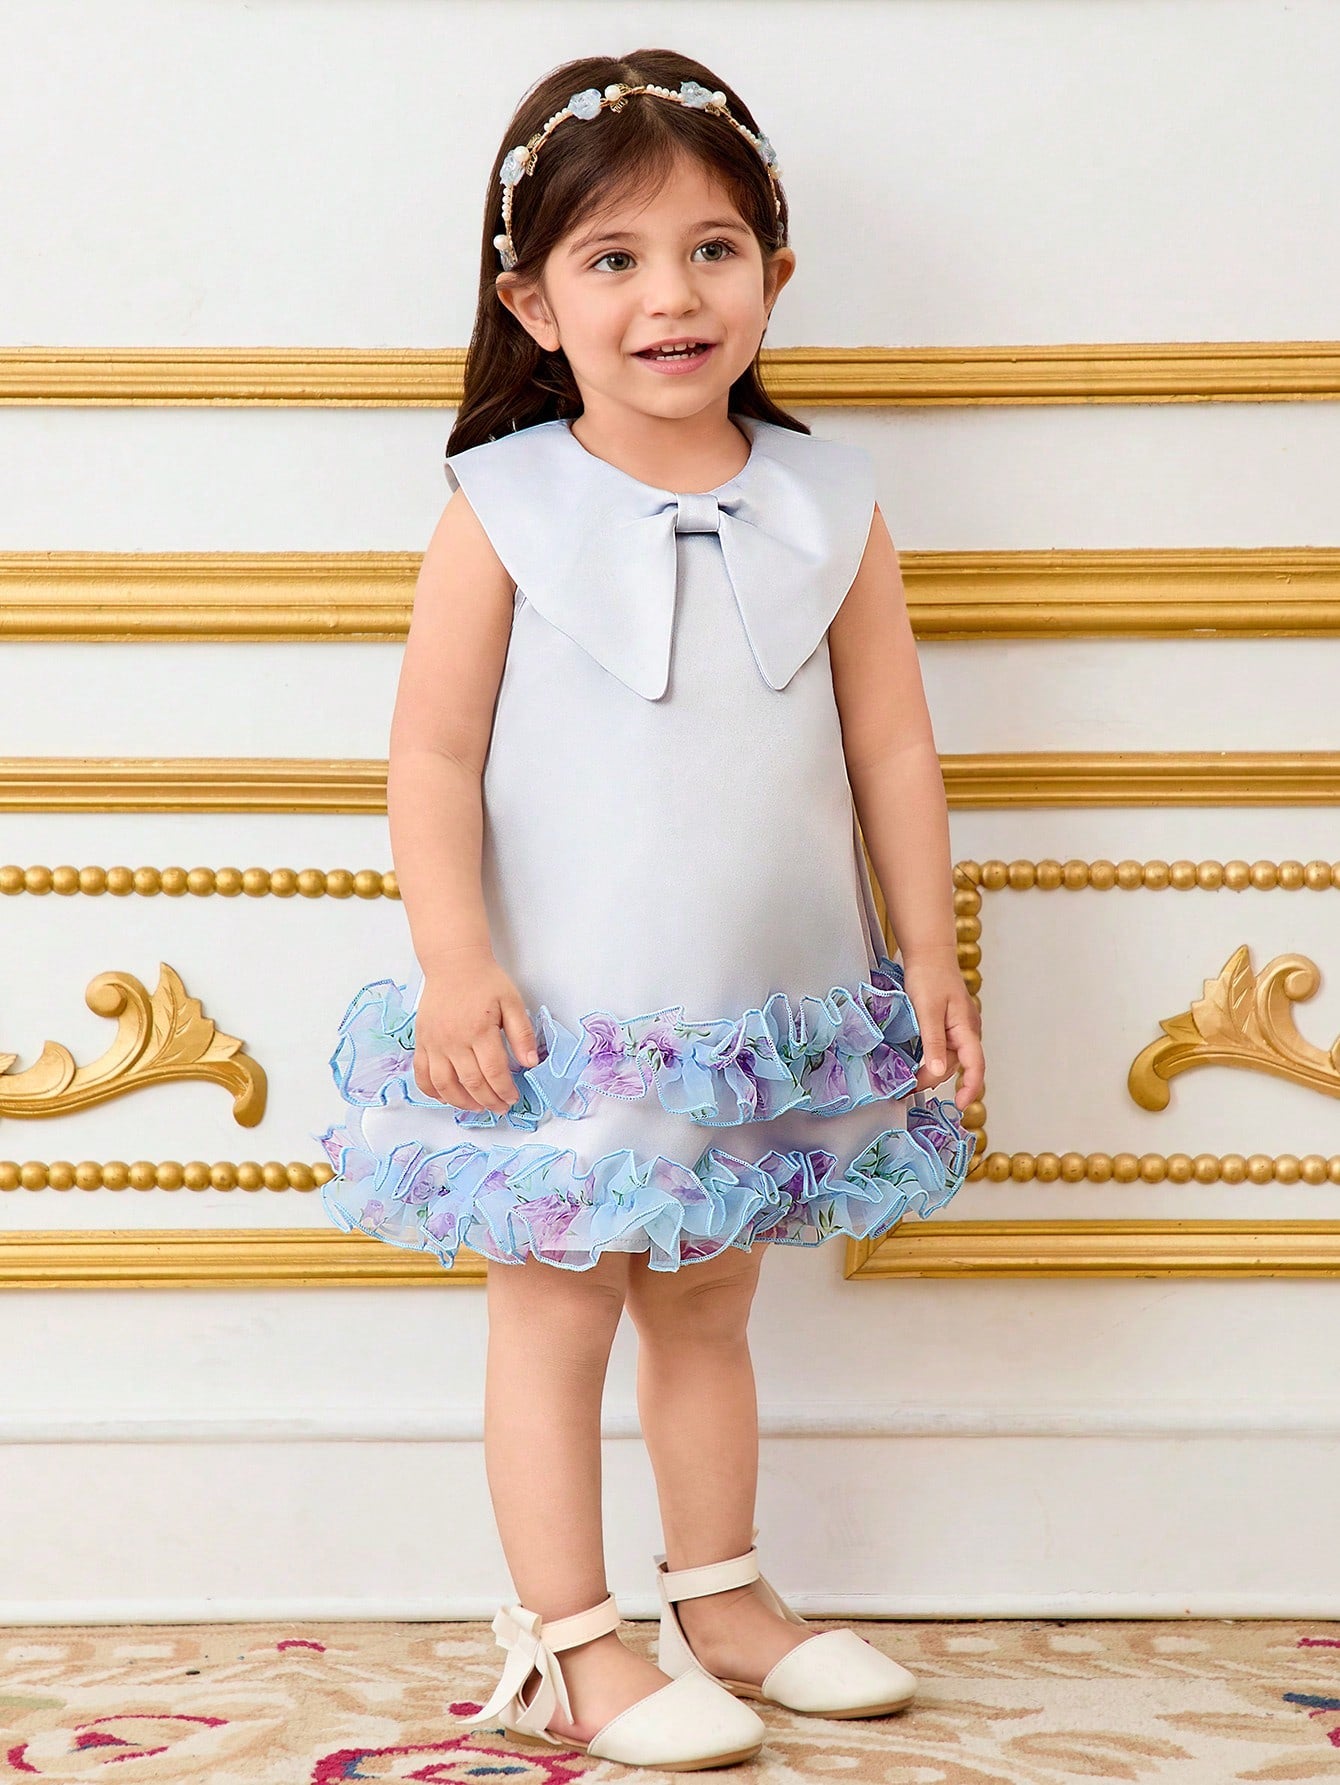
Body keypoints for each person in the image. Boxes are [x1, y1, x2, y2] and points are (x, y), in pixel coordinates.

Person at [313, 48, 985, 1772]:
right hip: (566, 1005)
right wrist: (454, 961)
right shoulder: (503, 509)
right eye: (613, 259)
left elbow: (893, 747)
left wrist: (927, 952)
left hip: (751, 1006)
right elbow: (431, 754)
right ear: (534, 304)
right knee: (558, 1305)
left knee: (708, 1302)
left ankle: (724, 1592)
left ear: (774, 271)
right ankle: (570, 1634)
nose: (671, 296)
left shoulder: (835, 507)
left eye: (712, 250)